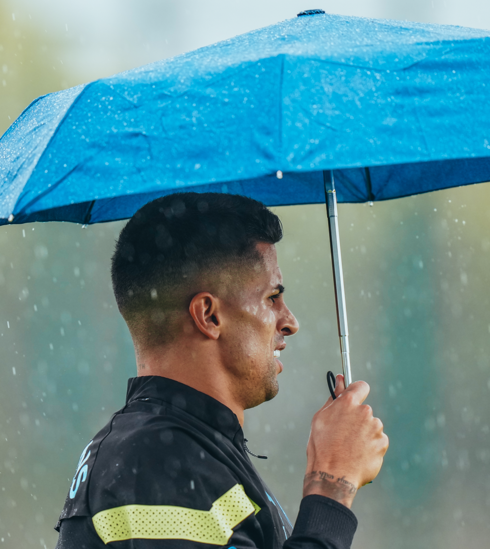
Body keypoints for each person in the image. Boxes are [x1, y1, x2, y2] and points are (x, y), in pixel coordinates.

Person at [53, 193, 388, 548]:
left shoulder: (182, 449)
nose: (290, 322)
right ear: (209, 316)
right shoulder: (160, 462)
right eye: (272, 297)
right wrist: (330, 488)